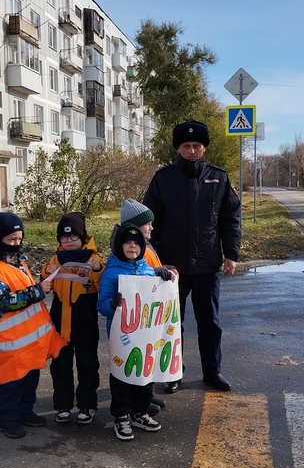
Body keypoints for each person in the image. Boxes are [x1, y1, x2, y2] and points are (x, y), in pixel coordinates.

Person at [143, 119, 242, 393]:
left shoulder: (218, 178)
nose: (191, 151)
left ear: (204, 148)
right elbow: (149, 223)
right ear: (178, 148)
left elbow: (230, 220)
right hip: (170, 266)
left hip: (207, 264)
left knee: (209, 322)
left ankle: (213, 371)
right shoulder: (163, 179)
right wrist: (150, 258)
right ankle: (173, 371)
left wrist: (230, 254)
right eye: (186, 146)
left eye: (196, 146)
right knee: (173, 322)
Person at [0, 213, 66, 439]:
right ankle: (7, 419)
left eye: (19, 238)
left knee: (29, 379)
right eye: (11, 240)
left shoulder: (18, 261)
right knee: (11, 383)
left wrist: (37, 288)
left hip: (27, 340)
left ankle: (25, 412)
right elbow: (3, 300)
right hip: (7, 341)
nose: (17, 244)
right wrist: (37, 291)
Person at [97, 224, 172, 441]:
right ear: (119, 245)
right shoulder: (111, 274)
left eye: (137, 243)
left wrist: (163, 281)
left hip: (144, 336)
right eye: (128, 242)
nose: (132, 246)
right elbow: (101, 306)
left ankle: (139, 411)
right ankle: (121, 415)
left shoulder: (148, 270)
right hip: (122, 337)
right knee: (121, 376)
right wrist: (112, 304)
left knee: (144, 375)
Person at [41, 212, 104, 425]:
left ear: (83, 238)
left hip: (85, 323)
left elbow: (102, 284)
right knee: (61, 367)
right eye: (64, 238)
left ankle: (87, 405)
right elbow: (46, 286)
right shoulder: (55, 259)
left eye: (73, 237)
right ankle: (63, 405)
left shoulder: (94, 259)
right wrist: (45, 273)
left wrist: (98, 270)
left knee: (87, 366)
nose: (69, 241)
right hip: (59, 324)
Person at [114, 199, 176, 414]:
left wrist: (163, 270)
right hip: (135, 320)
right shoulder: (129, 249)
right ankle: (135, 403)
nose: (151, 227)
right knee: (135, 360)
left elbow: (149, 270)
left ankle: (145, 397)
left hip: (145, 320)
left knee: (147, 357)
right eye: (147, 224)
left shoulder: (145, 246)